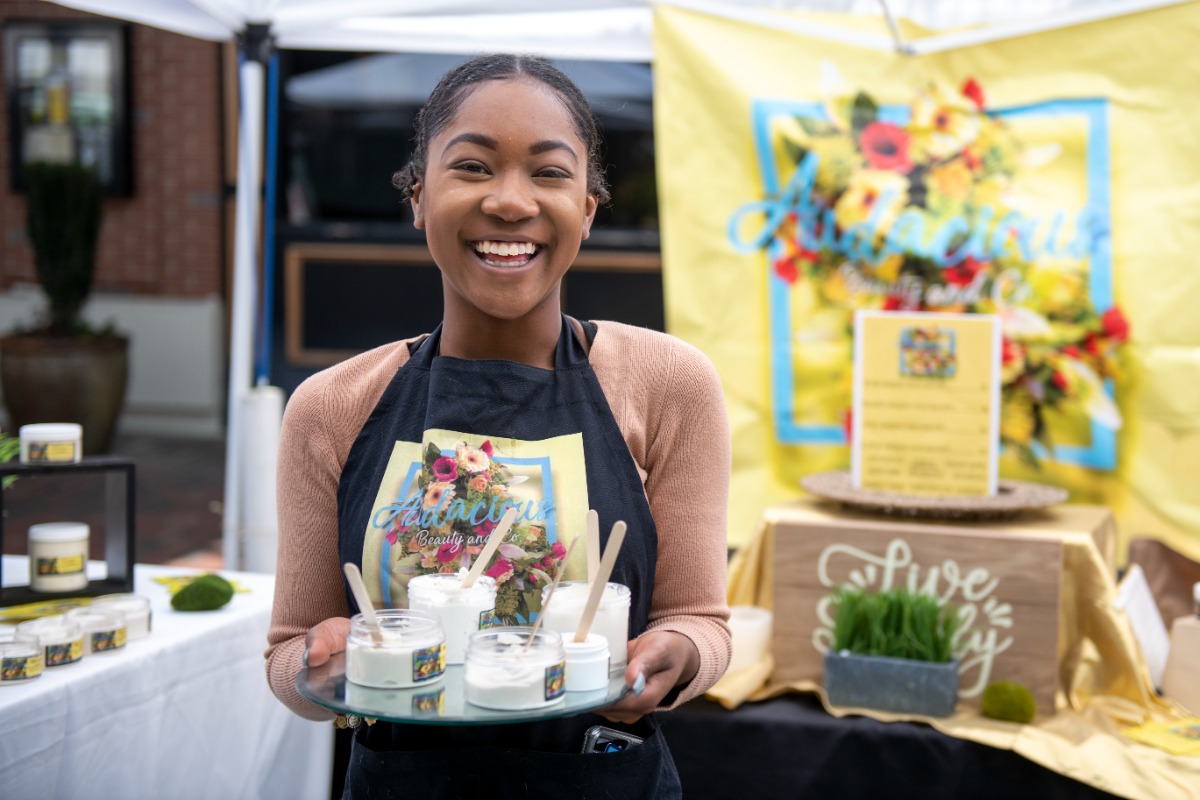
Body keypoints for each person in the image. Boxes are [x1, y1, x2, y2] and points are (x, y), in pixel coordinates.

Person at [265, 53, 731, 799]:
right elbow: (288, 656)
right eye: (474, 167)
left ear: (587, 205)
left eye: (549, 173)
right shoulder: (331, 406)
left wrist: (675, 654)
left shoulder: (668, 383)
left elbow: (701, 621)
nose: (511, 203)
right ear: (418, 197)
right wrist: (319, 662)